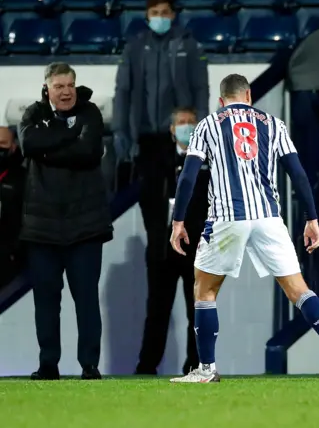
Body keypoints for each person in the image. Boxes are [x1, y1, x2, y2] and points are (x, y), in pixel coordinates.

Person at [168, 74, 319, 383]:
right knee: (299, 290)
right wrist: (312, 218)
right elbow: (298, 173)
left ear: (221, 99)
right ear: (249, 95)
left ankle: (207, 369)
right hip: (269, 218)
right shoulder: (273, 123)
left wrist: (179, 221)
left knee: (205, 288)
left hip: (228, 217)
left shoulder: (208, 125)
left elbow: (188, 177)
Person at [17, 62, 113, 380]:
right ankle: (49, 364)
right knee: (46, 301)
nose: (66, 91)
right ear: (47, 89)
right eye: (59, 86)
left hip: (85, 226)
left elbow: (87, 151)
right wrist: (68, 135)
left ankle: (89, 365)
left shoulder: (91, 113)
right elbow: (30, 144)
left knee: (86, 299)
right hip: (41, 228)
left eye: (70, 84)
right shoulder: (32, 114)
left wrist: (51, 145)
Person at [112, 0, 209, 250]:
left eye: (165, 12)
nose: (160, 18)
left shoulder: (189, 45)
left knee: (190, 207)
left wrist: (201, 131)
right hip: (145, 138)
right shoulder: (133, 47)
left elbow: (201, 89)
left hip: (179, 137)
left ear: (173, 15)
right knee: (153, 209)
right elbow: (122, 91)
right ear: (146, 16)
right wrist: (121, 131)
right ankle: (158, 257)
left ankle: (188, 260)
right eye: (155, 13)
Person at [135, 108, 205, 376]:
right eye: (181, 123)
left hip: (197, 248)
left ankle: (196, 365)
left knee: (197, 310)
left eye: (191, 122)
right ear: (172, 129)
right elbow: (148, 200)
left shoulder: (208, 161)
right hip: (163, 250)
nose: (187, 127)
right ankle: (147, 366)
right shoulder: (157, 162)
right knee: (157, 311)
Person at [0, 126, 26, 288]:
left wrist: (12, 253)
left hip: (8, 263)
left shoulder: (24, 180)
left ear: (13, 147)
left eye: (2, 144)